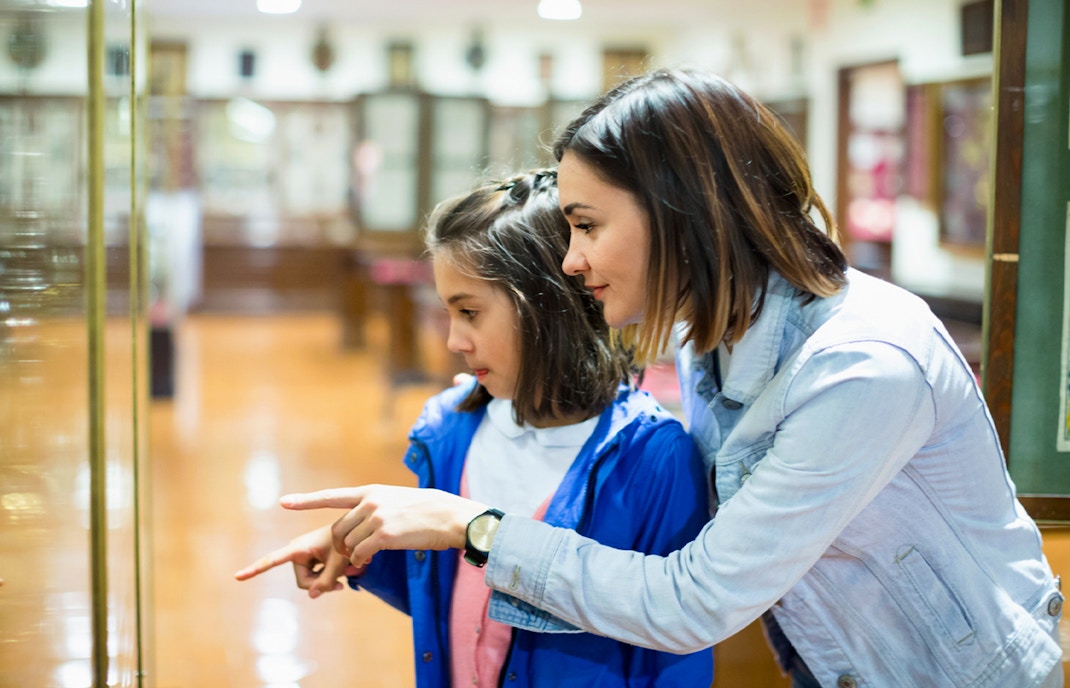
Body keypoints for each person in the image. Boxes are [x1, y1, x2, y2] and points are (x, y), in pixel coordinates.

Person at [277, 69, 1066, 688]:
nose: (570, 258)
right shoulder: (703, 337)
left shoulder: (863, 369)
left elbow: (692, 601)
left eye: (587, 225)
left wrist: (471, 525)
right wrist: (371, 548)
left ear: (682, 211)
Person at [235, 169, 713, 687]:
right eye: (448, 313)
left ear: (548, 306)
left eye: (470, 313)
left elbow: (674, 646)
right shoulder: (449, 428)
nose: (453, 342)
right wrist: (359, 551)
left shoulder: (653, 455)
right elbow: (452, 590)